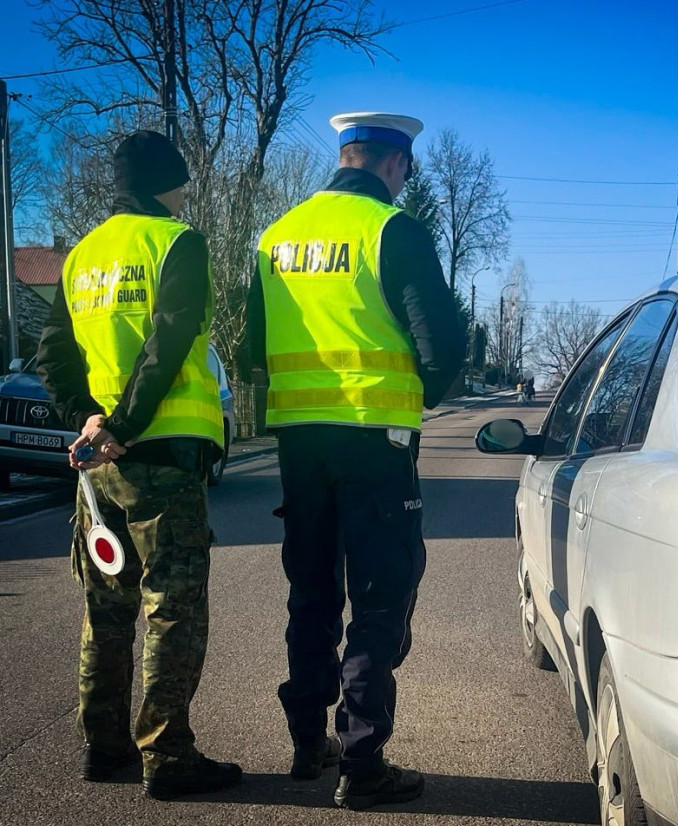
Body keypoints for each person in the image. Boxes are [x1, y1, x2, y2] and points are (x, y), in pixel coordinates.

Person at [247, 112, 465, 809]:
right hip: (375, 440)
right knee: (378, 594)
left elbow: (255, 349)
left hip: (299, 443)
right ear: (394, 165)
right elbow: (440, 345)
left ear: (345, 154)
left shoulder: (277, 236)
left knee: (311, 592)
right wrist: (421, 392)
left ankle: (309, 740)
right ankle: (364, 763)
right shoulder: (390, 229)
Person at [36, 130, 242, 801]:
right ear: (168, 181)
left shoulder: (82, 257)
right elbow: (170, 338)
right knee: (172, 610)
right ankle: (168, 756)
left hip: (98, 464)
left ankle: (104, 748)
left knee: (105, 610)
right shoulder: (177, 241)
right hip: (164, 454)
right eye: (183, 180)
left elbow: (54, 354)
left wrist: (88, 421)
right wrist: (124, 424)